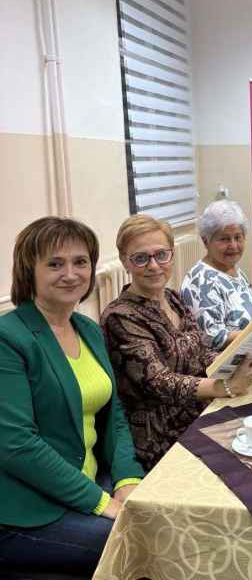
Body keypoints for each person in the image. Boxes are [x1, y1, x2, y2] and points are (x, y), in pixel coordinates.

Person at [0, 217, 144, 575]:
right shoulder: (8, 337)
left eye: (80, 262)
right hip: (28, 510)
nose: (71, 273)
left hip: (92, 479)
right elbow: (16, 444)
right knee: (144, 543)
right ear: (27, 270)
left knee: (169, 511)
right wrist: (99, 502)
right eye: (54, 263)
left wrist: (127, 480)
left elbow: (116, 418)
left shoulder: (89, 330)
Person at [101, 215, 252, 471]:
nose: (153, 265)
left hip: (201, 413)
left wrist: (242, 358)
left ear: (172, 254)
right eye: (141, 258)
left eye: (161, 255)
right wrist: (224, 386)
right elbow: (159, 382)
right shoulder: (120, 316)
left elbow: (202, 355)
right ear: (125, 261)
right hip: (164, 435)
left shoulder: (173, 300)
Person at [181, 200, 252, 349]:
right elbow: (213, 338)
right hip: (223, 364)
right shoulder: (201, 281)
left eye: (238, 237)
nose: (233, 245)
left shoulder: (233, 270)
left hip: (250, 351)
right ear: (205, 241)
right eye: (224, 239)